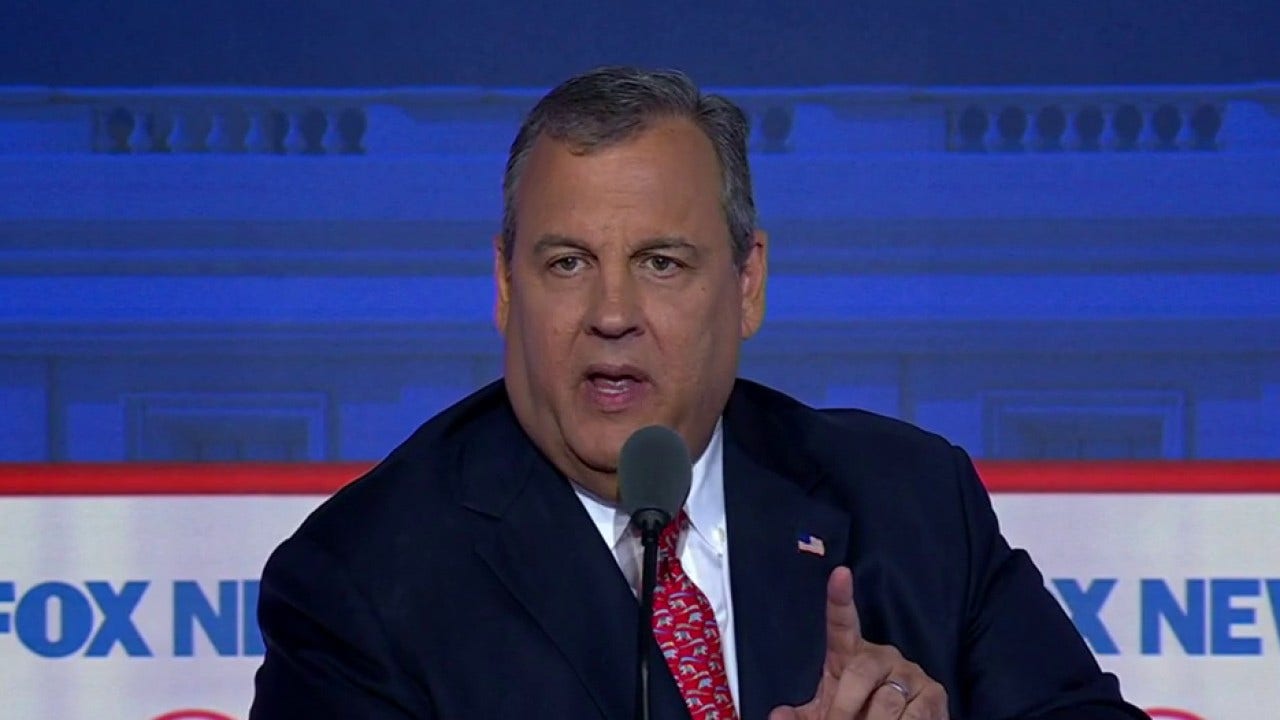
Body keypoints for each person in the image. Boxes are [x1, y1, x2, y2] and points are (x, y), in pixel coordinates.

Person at [250, 66, 1146, 720]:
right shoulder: (361, 581)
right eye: (567, 263)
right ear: (505, 286)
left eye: (661, 263)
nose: (611, 314)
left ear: (747, 284)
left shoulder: (909, 504)